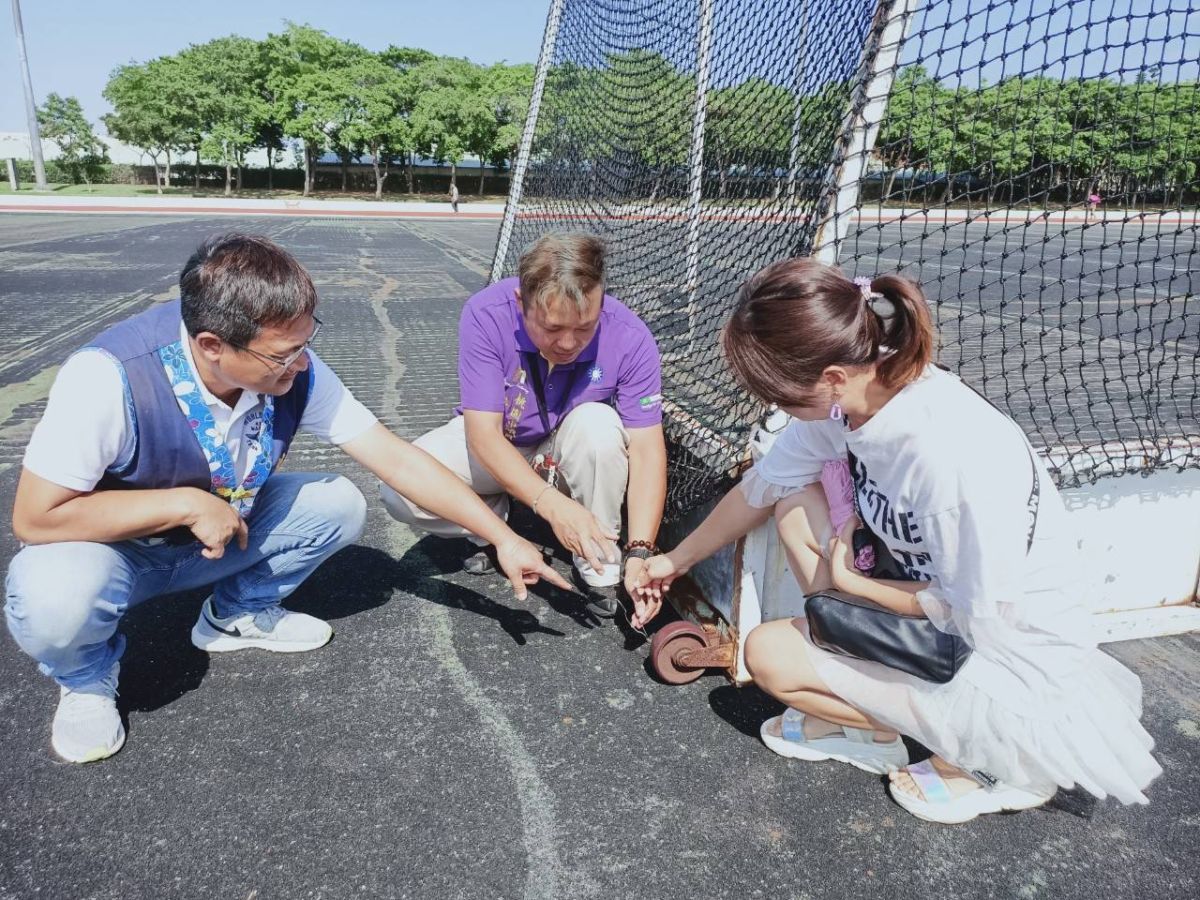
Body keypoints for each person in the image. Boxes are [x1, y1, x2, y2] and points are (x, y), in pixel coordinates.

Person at [4, 233, 566, 764]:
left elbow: (394, 458)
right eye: (283, 355)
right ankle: (85, 680)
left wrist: (503, 537)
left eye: (305, 343)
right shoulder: (108, 379)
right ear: (211, 345)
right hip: (116, 553)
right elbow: (34, 517)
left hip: (226, 536)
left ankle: (234, 615)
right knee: (53, 595)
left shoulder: (294, 367)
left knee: (339, 503)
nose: (300, 365)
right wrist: (184, 504)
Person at [634, 259, 1161, 823]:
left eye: (781, 395)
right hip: (927, 607)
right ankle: (872, 722)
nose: (777, 408)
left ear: (832, 377)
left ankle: (998, 762)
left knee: (768, 655)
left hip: (1001, 656)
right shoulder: (852, 399)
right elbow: (762, 487)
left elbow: (972, 612)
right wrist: (669, 560)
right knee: (793, 502)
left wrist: (851, 584)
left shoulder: (946, 456)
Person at [383, 232, 668, 618]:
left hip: (568, 449)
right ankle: (500, 530)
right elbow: (482, 434)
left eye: (585, 327)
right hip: (505, 441)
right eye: (552, 328)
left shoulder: (631, 337)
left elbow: (648, 448)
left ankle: (601, 565)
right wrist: (548, 504)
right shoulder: (487, 313)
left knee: (599, 426)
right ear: (522, 302)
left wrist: (640, 549)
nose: (568, 343)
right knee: (401, 490)